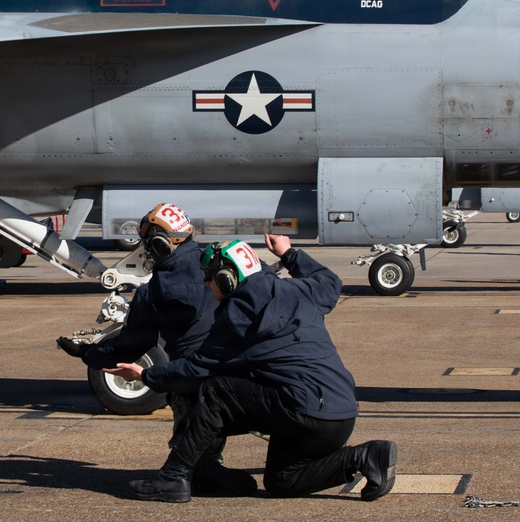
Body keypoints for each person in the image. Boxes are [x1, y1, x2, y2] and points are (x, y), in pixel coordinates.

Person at [104, 234, 397, 504]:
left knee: (215, 392)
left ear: (227, 279)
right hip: (340, 413)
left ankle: (173, 478)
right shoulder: (300, 290)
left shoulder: (239, 319)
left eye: (209, 278)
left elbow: (197, 368)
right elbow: (329, 281)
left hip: (305, 413)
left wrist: (146, 375)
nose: (206, 285)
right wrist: (289, 253)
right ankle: (366, 456)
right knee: (281, 482)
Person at [57, 203, 256, 496]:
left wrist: (87, 353)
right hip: (249, 377)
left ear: (160, 245)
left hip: (196, 382)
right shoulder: (222, 267)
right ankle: (210, 464)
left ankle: (199, 470)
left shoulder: (154, 292)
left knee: (186, 402)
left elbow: (130, 346)